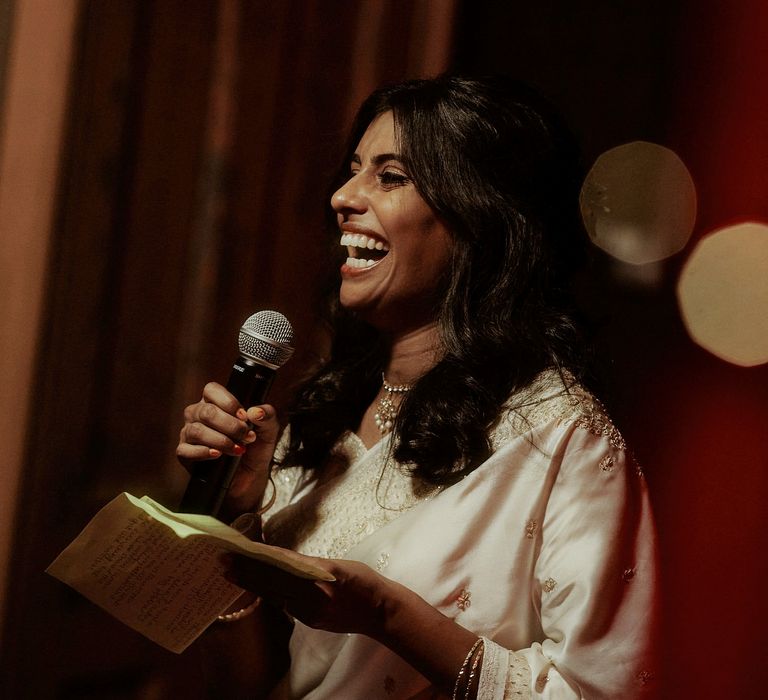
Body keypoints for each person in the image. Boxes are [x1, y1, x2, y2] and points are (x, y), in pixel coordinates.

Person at [176, 75, 658, 699]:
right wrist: (239, 506)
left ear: (479, 218)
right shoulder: (329, 408)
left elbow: (600, 690)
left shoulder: (563, 434)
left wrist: (387, 616)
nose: (343, 197)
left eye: (390, 176)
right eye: (353, 170)